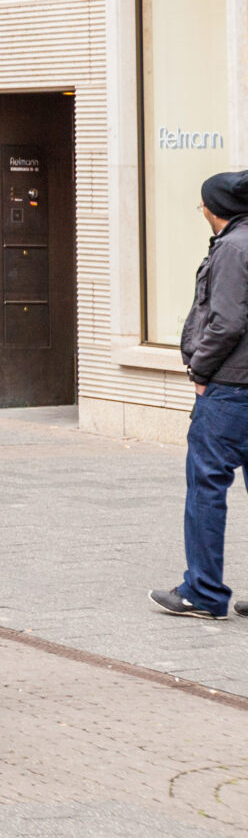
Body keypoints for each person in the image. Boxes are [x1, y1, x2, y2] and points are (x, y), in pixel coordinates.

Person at [154, 170, 248, 619]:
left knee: (207, 487)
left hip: (231, 390)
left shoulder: (232, 247)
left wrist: (201, 367)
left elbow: (227, 322)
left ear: (216, 209)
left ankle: (204, 592)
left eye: (202, 205)